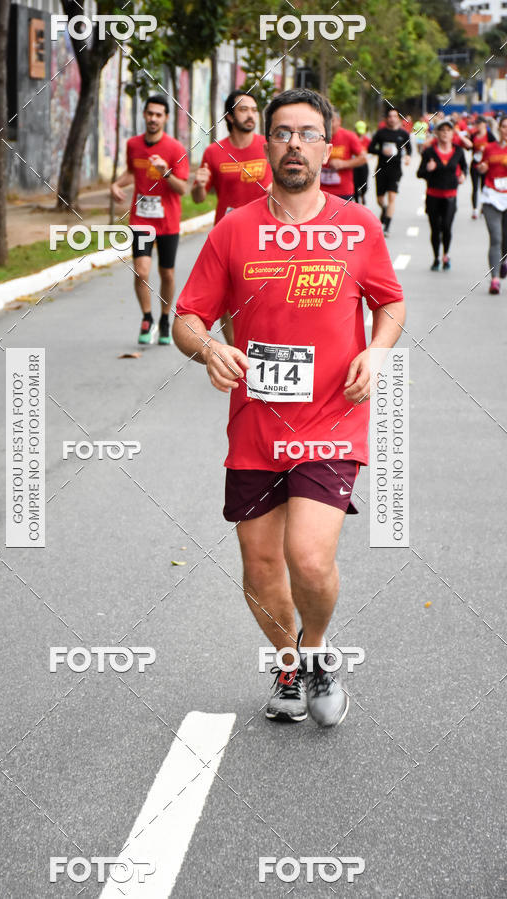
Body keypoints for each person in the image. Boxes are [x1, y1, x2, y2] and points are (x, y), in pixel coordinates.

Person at [173, 88, 405, 728]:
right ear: (267, 144)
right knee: (262, 563)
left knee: (308, 556)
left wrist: (379, 352)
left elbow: (390, 304)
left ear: (328, 146)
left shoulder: (356, 226)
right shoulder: (234, 230)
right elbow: (187, 318)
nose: (294, 143)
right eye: (282, 132)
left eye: (307, 132)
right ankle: (286, 661)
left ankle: (318, 650)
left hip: (333, 415)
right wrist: (209, 348)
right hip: (256, 422)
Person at [191, 90, 272, 345]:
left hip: (264, 234)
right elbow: (198, 199)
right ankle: (238, 350)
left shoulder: (268, 147)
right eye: (243, 109)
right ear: (229, 116)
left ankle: (262, 344)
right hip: (227, 236)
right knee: (226, 299)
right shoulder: (214, 153)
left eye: (253, 109)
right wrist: (198, 185)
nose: (251, 115)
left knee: (263, 297)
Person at [111, 95, 189, 345]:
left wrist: (166, 171)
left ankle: (165, 317)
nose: (153, 118)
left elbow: (182, 189)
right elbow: (132, 171)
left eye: (159, 114)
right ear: (144, 115)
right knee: (141, 271)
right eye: (150, 113)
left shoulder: (175, 148)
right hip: (141, 220)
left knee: (166, 273)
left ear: (166, 118)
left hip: (167, 221)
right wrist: (116, 184)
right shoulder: (134, 144)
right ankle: (147, 317)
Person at [417, 119, 467, 271]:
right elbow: (420, 173)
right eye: (442, 130)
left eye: (448, 130)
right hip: (433, 195)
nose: (445, 133)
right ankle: (436, 258)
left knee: (446, 226)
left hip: (450, 195)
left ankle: (446, 254)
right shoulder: (429, 152)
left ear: (452, 134)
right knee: (435, 228)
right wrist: (428, 169)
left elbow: (464, 166)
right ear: (437, 133)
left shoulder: (458, 151)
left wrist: (463, 175)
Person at [369, 107, 412, 235]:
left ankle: (387, 225)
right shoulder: (381, 133)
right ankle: (385, 208)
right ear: (386, 119)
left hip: (395, 169)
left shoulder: (403, 134)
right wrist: (381, 151)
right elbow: (370, 148)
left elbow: (409, 149)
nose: (392, 119)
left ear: (398, 119)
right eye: (390, 116)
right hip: (382, 168)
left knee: (392, 196)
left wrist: (408, 157)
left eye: (394, 116)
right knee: (380, 199)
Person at [477, 114, 507, 294]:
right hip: (492, 195)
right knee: (496, 238)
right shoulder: (489, 148)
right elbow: (482, 165)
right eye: (504, 127)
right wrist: (482, 168)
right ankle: (495, 279)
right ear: (499, 129)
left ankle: (503, 260)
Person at [319, 109, 366, 201]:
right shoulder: (317, 136)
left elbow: (363, 158)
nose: (329, 125)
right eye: (326, 121)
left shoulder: (349, 136)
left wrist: (343, 164)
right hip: (320, 191)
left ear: (339, 121)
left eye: (332, 121)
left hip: (343, 192)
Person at [470, 116, 495, 218]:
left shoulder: (489, 135)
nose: (478, 126)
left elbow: (495, 148)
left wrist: (486, 150)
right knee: (475, 188)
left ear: (485, 124)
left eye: (480, 124)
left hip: (485, 165)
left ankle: (483, 208)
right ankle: (474, 209)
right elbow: (470, 147)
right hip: (475, 164)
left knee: (484, 188)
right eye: (477, 124)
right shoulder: (474, 135)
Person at [353, 120, 370, 204]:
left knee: (364, 185)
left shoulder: (367, 140)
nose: (360, 134)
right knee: (355, 185)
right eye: (358, 132)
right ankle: (357, 202)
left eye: (362, 132)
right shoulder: (352, 139)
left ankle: (363, 195)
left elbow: (372, 150)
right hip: (354, 165)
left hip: (363, 165)